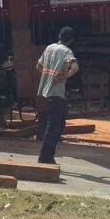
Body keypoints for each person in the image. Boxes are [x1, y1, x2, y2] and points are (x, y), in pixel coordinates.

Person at [36, 27, 79, 165]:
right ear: (71, 40)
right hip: (56, 92)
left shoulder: (49, 48)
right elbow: (75, 68)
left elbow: (38, 66)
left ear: (59, 36)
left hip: (47, 90)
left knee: (59, 123)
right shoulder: (67, 51)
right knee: (54, 125)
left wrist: (47, 76)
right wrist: (64, 76)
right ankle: (45, 156)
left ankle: (47, 155)